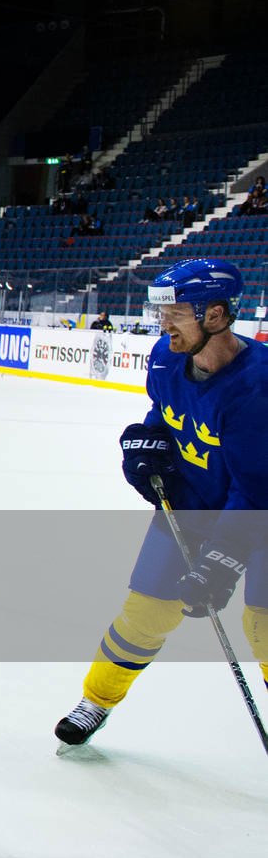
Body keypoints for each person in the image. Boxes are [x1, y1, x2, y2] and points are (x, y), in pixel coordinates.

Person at [55, 258, 268, 746]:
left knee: (264, 625)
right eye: (161, 313)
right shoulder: (165, 358)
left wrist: (223, 559)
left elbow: (256, 487)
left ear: (216, 315)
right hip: (191, 507)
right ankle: (97, 700)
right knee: (146, 613)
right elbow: (165, 414)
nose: (162, 324)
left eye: (175, 313)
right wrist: (145, 445)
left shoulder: (258, 387)